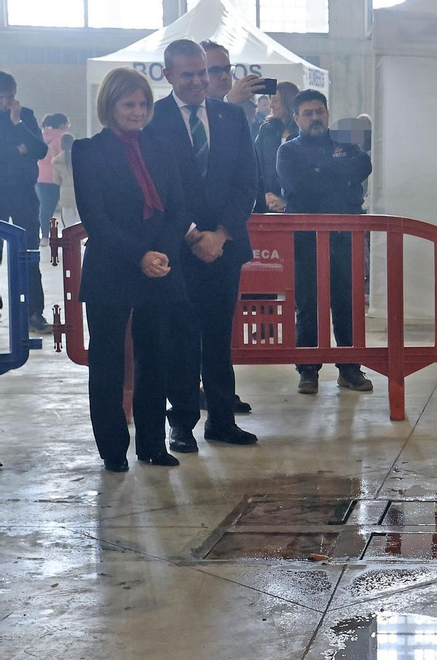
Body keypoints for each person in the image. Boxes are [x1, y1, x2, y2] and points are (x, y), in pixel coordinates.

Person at [73, 68, 191, 471]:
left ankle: (153, 445)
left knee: (155, 356)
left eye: (143, 104)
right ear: (110, 106)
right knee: (107, 361)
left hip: (160, 265)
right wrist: (139, 255)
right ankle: (112, 449)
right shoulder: (88, 150)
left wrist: (161, 253)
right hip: (113, 266)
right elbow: (95, 218)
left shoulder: (161, 147)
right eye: (129, 104)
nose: (138, 112)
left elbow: (178, 207)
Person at [150, 40, 260, 453]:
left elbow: (246, 182)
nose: (199, 81)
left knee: (218, 336)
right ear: (168, 75)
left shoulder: (231, 116)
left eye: (205, 73)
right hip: (176, 250)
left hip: (224, 247)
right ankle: (181, 424)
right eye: (188, 75)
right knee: (179, 337)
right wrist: (193, 234)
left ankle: (222, 420)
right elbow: (156, 188)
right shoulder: (153, 119)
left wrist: (221, 235)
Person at [276, 89, 373, 395]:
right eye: (308, 113)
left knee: (348, 302)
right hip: (305, 240)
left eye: (319, 111)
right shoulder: (288, 152)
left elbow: (362, 167)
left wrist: (322, 173)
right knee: (308, 303)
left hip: (346, 238)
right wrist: (338, 177)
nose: (315, 117)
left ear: (328, 114)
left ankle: (350, 369)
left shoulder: (346, 143)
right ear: (296, 118)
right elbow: (300, 186)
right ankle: (308, 369)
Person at [0, 71, 50, 335]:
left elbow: (40, 150)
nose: (6, 102)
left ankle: (34, 312)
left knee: (29, 254)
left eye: (9, 97)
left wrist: (18, 123)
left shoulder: (24, 116)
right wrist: (18, 150)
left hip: (24, 194)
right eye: (1, 97)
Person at [201, 40, 269, 129]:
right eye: (215, 70)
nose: (224, 76)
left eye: (227, 69)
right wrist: (229, 102)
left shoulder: (239, 110)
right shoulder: (190, 111)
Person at [254, 80, 298, 212]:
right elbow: (256, 164)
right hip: (268, 205)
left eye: (275, 100)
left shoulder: (303, 132)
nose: (271, 105)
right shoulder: (266, 130)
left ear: (288, 102)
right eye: (270, 100)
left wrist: (285, 200)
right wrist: (265, 194)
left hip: (296, 208)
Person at [37, 113, 68, 241]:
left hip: (39, 177)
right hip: (56, 177)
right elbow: (64, 157)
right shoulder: (62, 138)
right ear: (62, 125)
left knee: (44, 207)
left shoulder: (41, 135)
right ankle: (68, 235)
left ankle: (44, 236)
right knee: (65, 207)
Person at [51, 134, 77, 228]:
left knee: (68, 225)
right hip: (81, 193)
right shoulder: (81, 157)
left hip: (66, 195)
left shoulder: (57, 161)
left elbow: (56, 180)